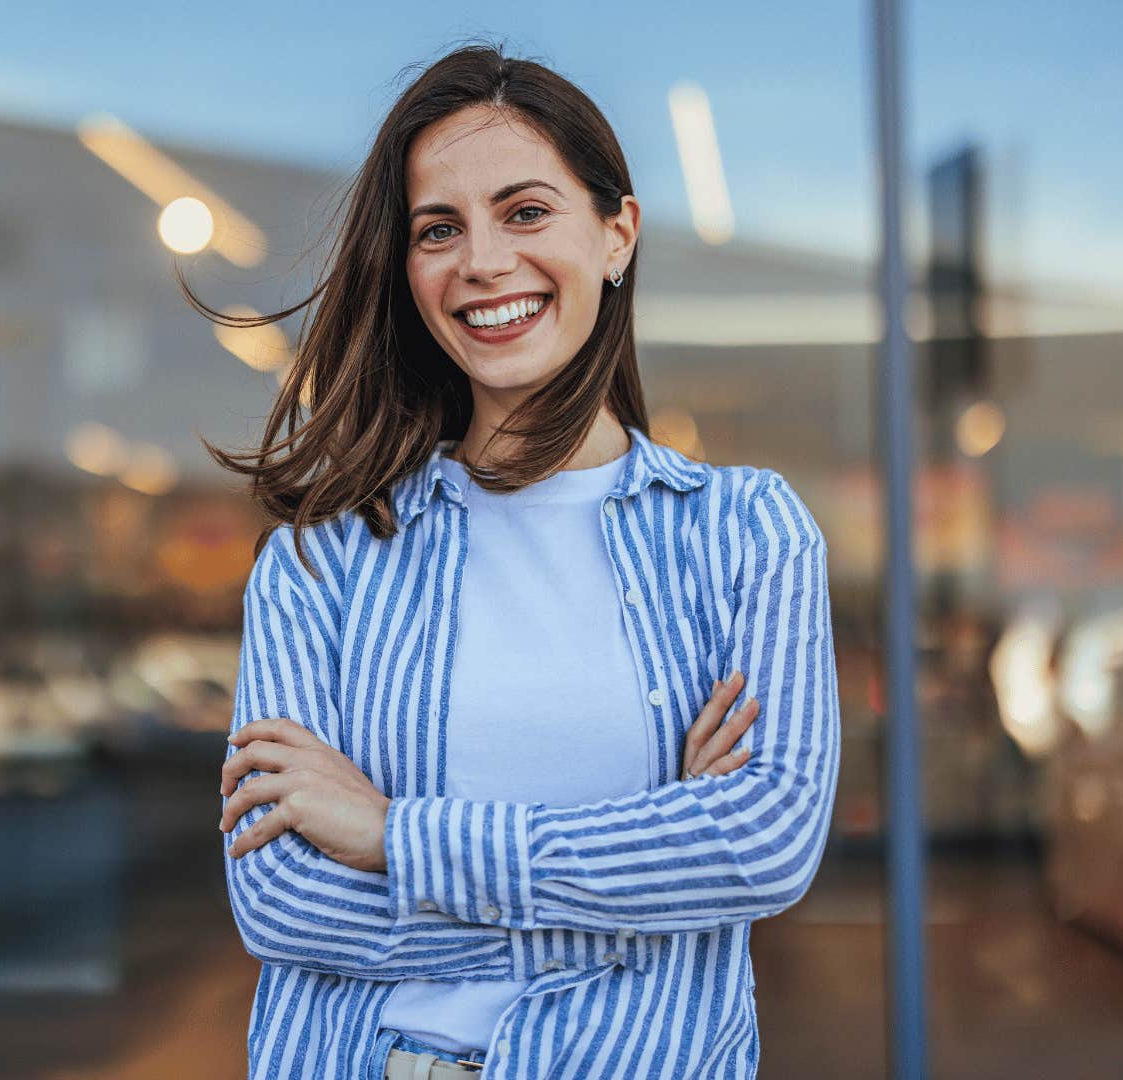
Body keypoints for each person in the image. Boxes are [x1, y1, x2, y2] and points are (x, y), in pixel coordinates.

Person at [193, 43, 840, 1080]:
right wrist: (647, 873)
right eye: (438, 229)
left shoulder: (746, 533)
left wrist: (393, 835)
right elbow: (283, 901)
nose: (482, 261)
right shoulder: (324, 560)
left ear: (616, 234)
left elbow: (762, 842)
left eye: (526, 211)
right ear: (407, 270)